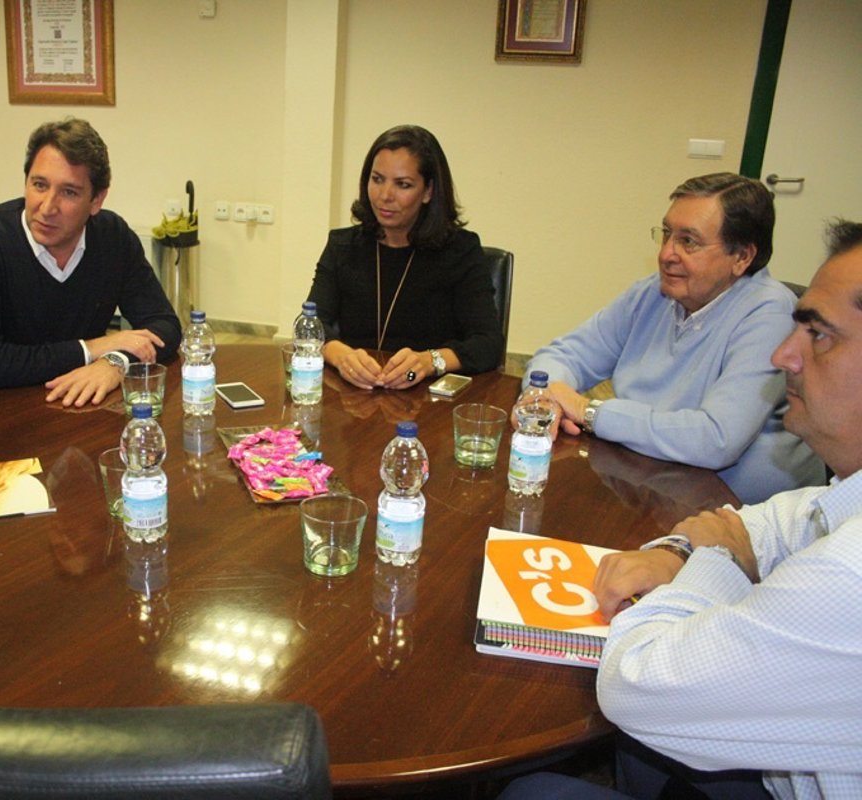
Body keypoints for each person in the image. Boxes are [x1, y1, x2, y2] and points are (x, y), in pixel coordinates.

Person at [500, 219, 862, 799]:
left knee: (532, 792)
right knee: (645, 751)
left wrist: (715, 559)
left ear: (742, 257)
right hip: (654, 492)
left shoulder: (847, 574)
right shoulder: (845, 497)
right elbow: (778, 521)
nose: (784, 355)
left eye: (819, 334)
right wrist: (679, 549)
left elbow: (633, 687)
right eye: (666, 234)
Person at [523, 172, 822, 504]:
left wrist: (588, 411)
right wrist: (544, 398)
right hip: (646, 482)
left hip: (736, 512)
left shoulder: (771, 313)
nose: (666, 254)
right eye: (667, 234)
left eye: (688, 241)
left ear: (742, 257)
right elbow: (564, 355)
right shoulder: (654, 292)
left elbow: (716, 439)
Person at [0, 118, 181, 406]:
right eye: (39, 185)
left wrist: (115, 362)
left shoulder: (112, 236)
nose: (47, 208)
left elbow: (165, 326)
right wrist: (91, 348)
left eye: (69, 192)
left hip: (77, 406)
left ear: (96, 200)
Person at [305, 124, 503, 391]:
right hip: (355, 393)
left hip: (426, 397)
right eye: (377, 179)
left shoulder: (460, 251)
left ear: (428, 191)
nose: (385, 196)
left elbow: (488, 344)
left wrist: (429, 362)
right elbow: (311, 324)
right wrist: (342, 357)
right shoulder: (342, 246)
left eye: (403, 185)